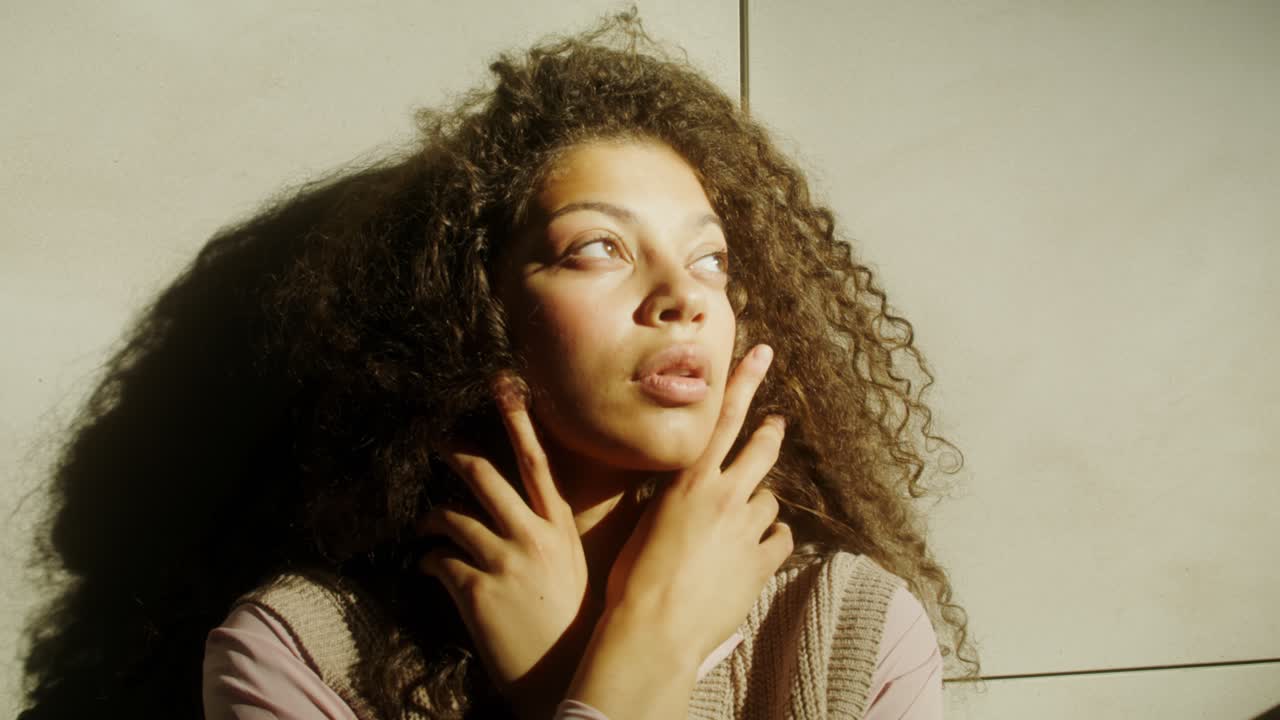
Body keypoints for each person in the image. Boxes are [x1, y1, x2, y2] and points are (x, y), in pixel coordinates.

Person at [19, 10, 977, 720]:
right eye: (598, 247)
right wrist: (640, 658)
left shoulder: (852, 629)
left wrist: (570, 681)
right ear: (470, 310)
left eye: (711, 259)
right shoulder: (302, 654)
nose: (683, 296)